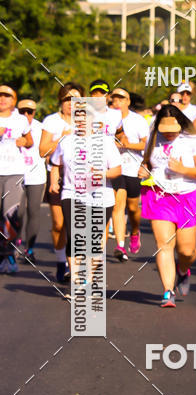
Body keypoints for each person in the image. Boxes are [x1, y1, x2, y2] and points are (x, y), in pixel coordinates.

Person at [139, 106, 196, 307]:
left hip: (187, 196)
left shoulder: (194, 139)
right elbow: (147, 164)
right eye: (164, 128)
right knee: (164, 245)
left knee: (187, 251)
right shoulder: (152, 138)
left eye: (173, 128)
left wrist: (183, 169)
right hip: (159, 196)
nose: (169, 133)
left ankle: (182, 270)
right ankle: (168, 292)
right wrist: (143, 171)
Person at [49, 122, 122, 289]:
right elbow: (55, 165)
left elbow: (117, 170)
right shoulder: (66, 141)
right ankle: (75, 279)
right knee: (75, 236)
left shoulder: (105, 142)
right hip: (71, 192)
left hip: (101, 195)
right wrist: (54, 182)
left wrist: (102, 173)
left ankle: (87, 279)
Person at [39, 83, 84, 282]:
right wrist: (62, 139)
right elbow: (42, 151)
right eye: (67, 99)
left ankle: (75, 267)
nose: (71, 103)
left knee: (77, 225)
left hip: (82, 179)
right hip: (58, 178)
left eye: (75, 99)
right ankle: (60, 262)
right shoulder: (51, 121)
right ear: (61, 100)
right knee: (59, 224)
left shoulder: (89, 122)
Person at [110, 88, 149, 260]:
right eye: (115, 99)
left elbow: (146, 145)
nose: (117, 102)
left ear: (128, 102)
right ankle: (120, 246)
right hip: (115, 169)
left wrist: (127, 145)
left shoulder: (137, 120)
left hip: (133, 168)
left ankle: (134, 231)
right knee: (118, 206)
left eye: (121, 99)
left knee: (133, 208)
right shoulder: (108, 119)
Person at [0, 84, 33, 273]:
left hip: (13, 172)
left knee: (9, 214)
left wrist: (24, 141)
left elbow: (30, 141)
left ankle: (9, 256)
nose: (2, 99)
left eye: (7, 96)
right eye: (0, 95)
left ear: (13, 100)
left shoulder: (20, 120)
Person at [18, 99, 46, 263]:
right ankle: (15, 243)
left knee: (33, 212)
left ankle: (30, 248)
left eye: (30, 111)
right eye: (23, 111)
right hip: (16, 175)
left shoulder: (41, 127)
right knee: (17, 213)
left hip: (36, 176)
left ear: (35, 112)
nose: (27, 115)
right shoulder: (11, 125)